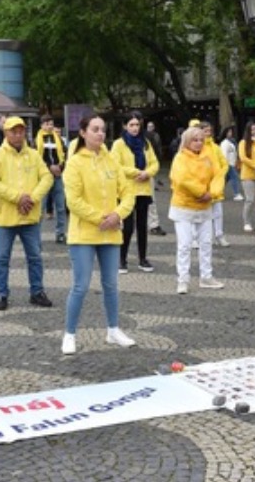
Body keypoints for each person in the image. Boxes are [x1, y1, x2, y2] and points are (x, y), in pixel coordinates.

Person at [61, 114, 137, 354]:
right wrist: (99, 218)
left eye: (103, 129)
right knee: (81, 285)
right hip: (84, 233)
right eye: (95, 129)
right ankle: (69, 334)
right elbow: (73, 201)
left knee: (111, 284)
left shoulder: (111, 160)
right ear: (83, 132)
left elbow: (128, 192)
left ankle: (113, 329)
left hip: (111, 231)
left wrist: (118, 214)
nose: (100, 133)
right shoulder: (74, 163)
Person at [0, 117, 54, 311]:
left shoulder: (33, 155)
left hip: (29, 215)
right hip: (6, 217)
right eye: (13, 131)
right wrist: (17, 198)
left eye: (20, 131)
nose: (17, 135)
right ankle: (1, 294)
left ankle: (37, 291)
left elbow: (47, 177)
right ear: (6, 133)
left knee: (34, 256)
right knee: (1, 258)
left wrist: (32, 198)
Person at [168, 126, 225, 294]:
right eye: (195, 140)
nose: (199, 143)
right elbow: (181, 179)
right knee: (184, 245)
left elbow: (218, 175)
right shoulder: (180, 158)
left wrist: (212, 193)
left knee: (206, 243)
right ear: (187, 141)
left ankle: (206, 276)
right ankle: (183, 279)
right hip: (183, 206)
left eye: (201, 140)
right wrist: (202, 192)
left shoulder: (209, 157)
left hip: (204, 206)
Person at [110, 111, 159, 274]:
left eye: (137, 124)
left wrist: (148, 173)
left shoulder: (145, 143)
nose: (135, 128)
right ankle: (121, 259)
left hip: (143, 190)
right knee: (128, 227)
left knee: (142, 226)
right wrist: (136, 172)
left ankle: (142, 258)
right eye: (131, 124)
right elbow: (115, 166)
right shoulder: (118, 144)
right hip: (127, 190)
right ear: (125, 126)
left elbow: (154, 163)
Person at [35, 115, 67, 243]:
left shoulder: (58, 139)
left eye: (51, 124)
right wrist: (49, 167)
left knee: (60, 206)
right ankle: (35, 234)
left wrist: (60, 167)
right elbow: (36, 158)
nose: (49, 126)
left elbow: (64, 155)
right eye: (47, 124)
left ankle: (60, 233)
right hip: (43, 177)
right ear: (41, 125)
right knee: (40, 207)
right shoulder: (36, 140)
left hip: (58, 176)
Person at [200, 122, 230, 247]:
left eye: (209, 131)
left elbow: (224, 162)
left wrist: (221, 175)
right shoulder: (199, 146)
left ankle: (219, 234)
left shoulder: (215, 147)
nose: (208, 133)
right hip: (203, 184)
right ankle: (205, 236)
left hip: (216, 185)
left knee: (218, 213)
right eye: (205, 131)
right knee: (204, 213)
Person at [238, 121, 255, 232]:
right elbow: (243, 158)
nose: (254, 131)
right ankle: (247, 222)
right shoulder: (243, 143)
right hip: (248, 175)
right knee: (250, 199)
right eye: (252, 129)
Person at [219, 126, 243, 201]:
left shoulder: (231, 142)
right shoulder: (224, 143)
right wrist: (225, 163)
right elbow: (224, 154)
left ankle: (219, 192)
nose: (230, 133)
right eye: (229, 132)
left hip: (232, 163)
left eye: (231, 132)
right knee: (235, 178)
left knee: (225, 179)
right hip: (228, 163)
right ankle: (236, 193)